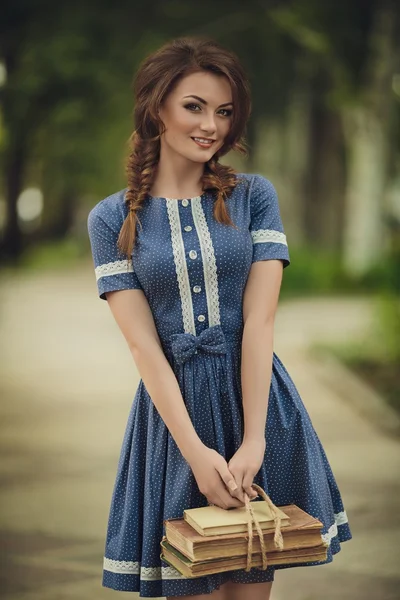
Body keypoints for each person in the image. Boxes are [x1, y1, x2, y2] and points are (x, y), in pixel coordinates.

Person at [87, 36, 352, 600]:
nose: (212, 125)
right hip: (175, 422)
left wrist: (254, 439)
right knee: (191, 583)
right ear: (157, 106)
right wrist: (197, 454)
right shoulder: (110, 218)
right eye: (194, 106)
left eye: (224, 112)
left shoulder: (255, 195)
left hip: (255, 403)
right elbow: (144, 349)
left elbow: (259, 323)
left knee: (252, 580)